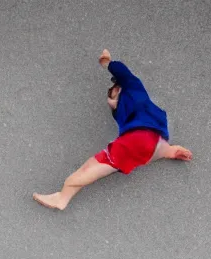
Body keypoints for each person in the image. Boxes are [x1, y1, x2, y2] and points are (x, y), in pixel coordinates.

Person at [32, 49, 193, 210]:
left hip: (138, 139)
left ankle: (63, 196)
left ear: (121, 89)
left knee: (93, 167)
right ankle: (170, 152)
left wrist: (108, 63)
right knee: (102, 163)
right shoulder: (132, 115)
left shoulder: (133, 89)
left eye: (113, 93)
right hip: (155, 143)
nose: (111, 100)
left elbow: (125, 75)